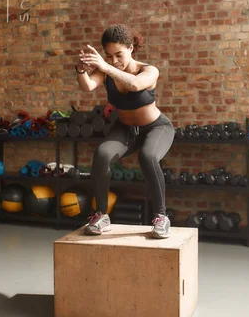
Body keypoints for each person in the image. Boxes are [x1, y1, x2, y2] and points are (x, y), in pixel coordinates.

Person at [75, 24, 175, 239]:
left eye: (118, 54)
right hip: (125, 129)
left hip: (156, 127)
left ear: (131, 47)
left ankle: (161, 217)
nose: (114, 61)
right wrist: (81, 69)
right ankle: (101, 216)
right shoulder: (105, 70)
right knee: (102, 154)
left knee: (148, 157)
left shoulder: (148, 70)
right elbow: (87, 86)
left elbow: (135, 85)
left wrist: (105, 67)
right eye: (108, 56)